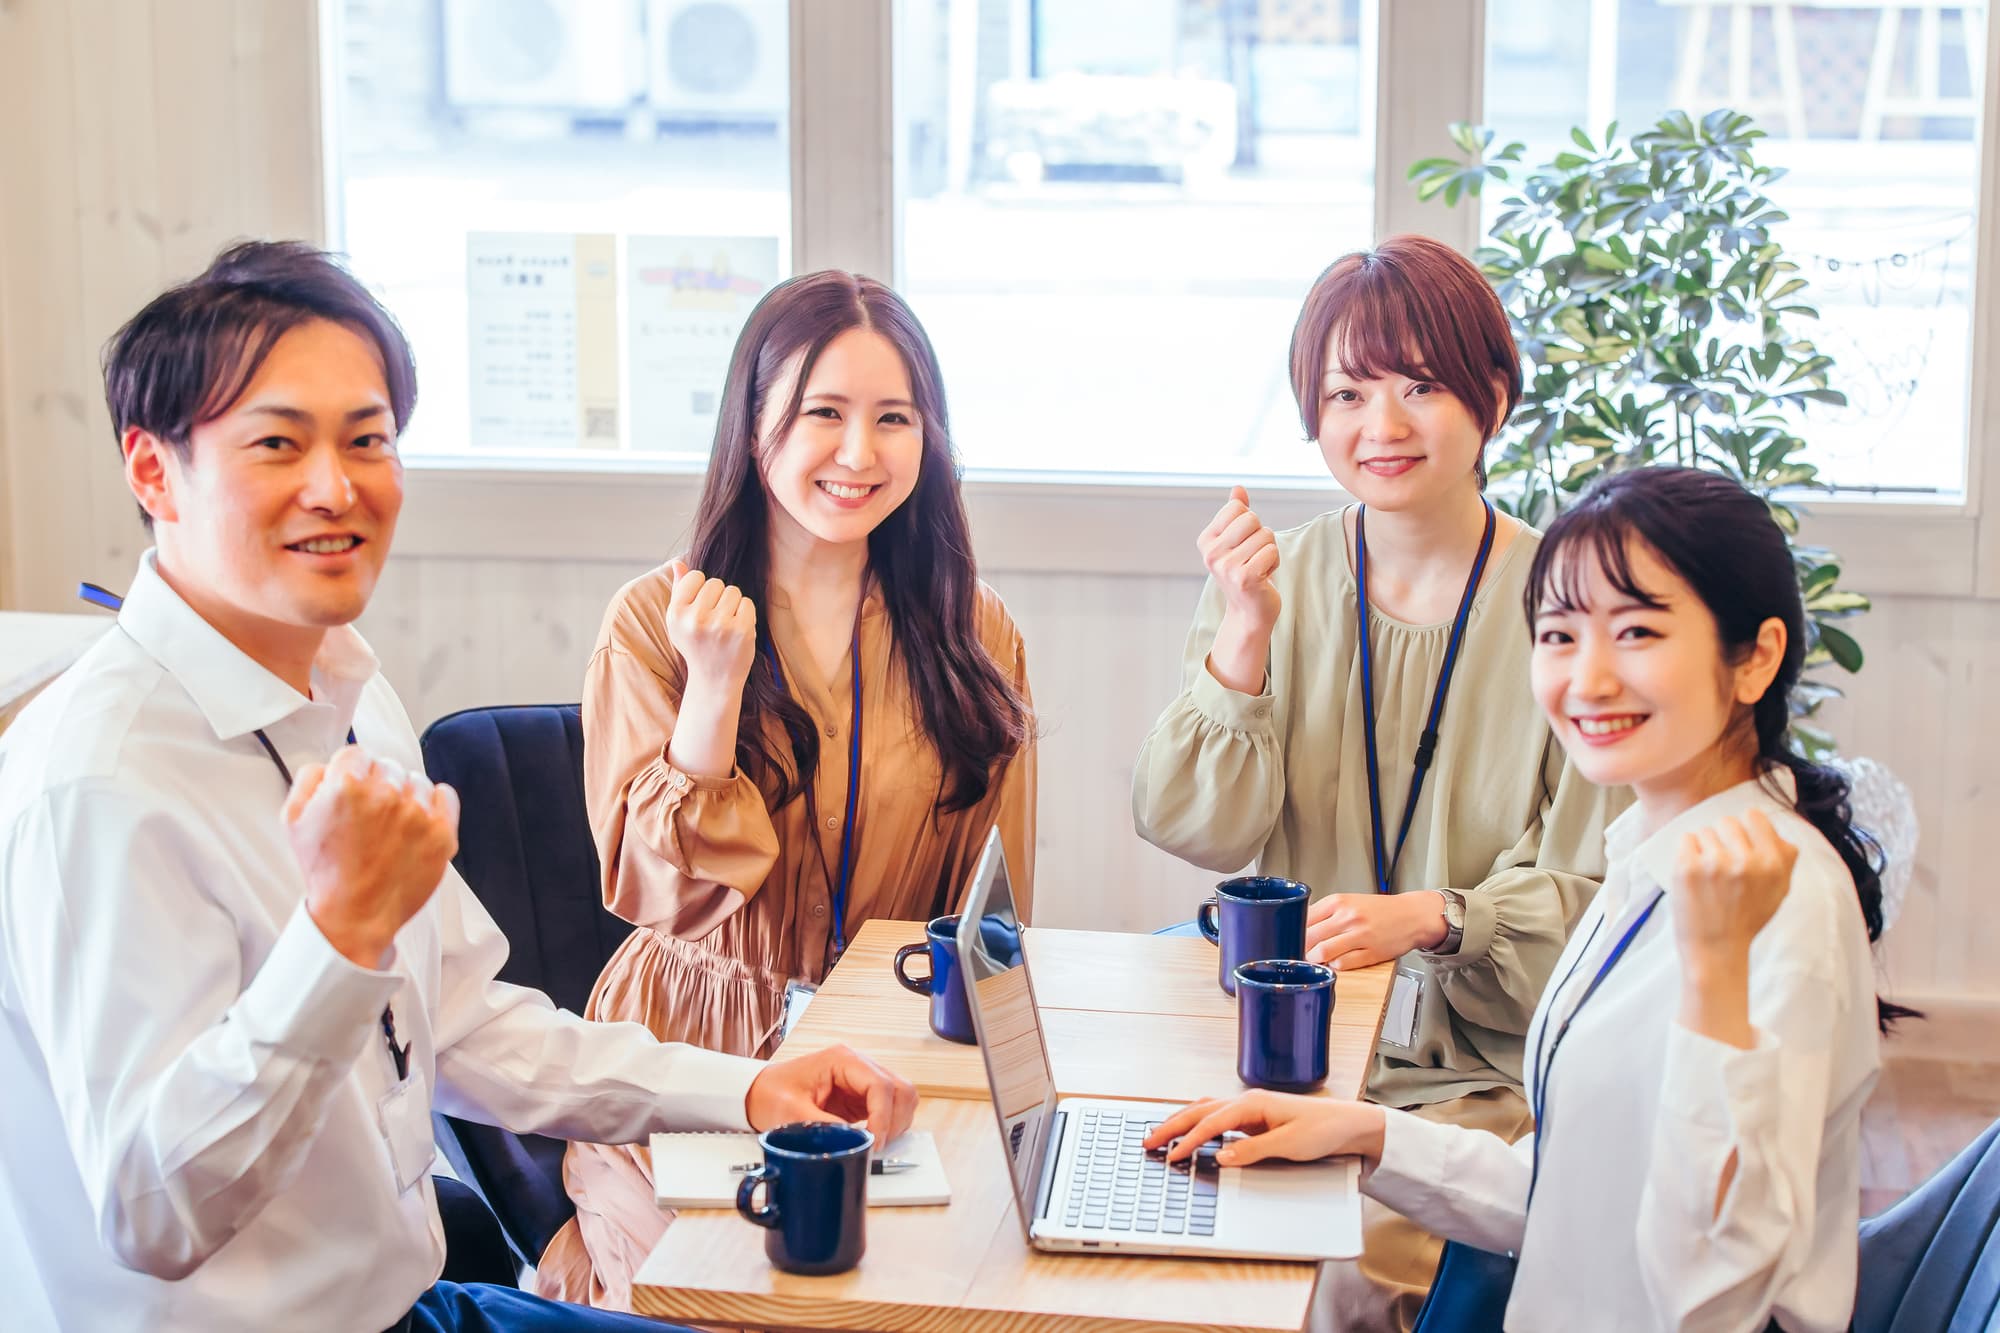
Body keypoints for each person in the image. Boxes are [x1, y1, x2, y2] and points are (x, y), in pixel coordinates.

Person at [0, 241, 917, 1333]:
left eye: (367, 439)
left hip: (413, 1306)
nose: (334, 486)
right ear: (154, 471)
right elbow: (154, 1212)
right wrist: (337, 941)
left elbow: (470, 1027)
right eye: (277, 443)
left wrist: (750, 1092)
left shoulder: (346, 686)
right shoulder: (102, 782)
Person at [1147, 465, 1892, 1331]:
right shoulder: (1647, 858)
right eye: (1559, 634)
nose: (1590, 678)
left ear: (1755, 657)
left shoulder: (1780, 902)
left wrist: (1717, 979)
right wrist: (1362, 1134)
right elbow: (1569, 1190)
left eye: (1639, 632)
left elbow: (1711, 1294)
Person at [1130, 233, 1623, 1328]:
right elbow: (1185, 825)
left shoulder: (1566, 603)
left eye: (1420, 385)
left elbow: (1593, 903)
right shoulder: (1274, 578)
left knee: (1352, 1286)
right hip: (1283, 1043)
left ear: (1491, 394)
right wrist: (1243, 641)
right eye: (1344, 391)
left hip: (1470, 1070)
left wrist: (1441, 917)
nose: (1380, 426)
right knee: (1157, 1244)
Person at [537, 270, 1035, 1308]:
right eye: (822, 413)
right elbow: (657, 894)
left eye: (892, 418)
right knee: (710, 1300)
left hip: (880, 1051)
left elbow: (988, 916)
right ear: (753, 424)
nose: (858, 454)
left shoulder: (971, 631)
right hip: (688, 1041)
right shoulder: (650, 623)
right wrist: (712, 690)